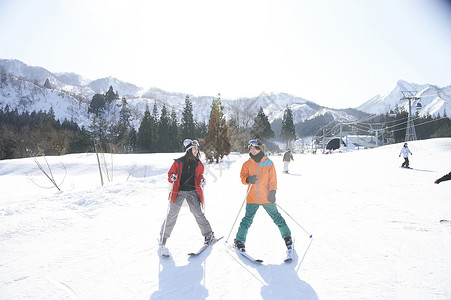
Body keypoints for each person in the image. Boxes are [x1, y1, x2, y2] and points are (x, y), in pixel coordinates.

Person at [234, 139, 292, 252]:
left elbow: (273, 180)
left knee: (277, 217)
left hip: (266, 196)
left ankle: (287, 237)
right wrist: (248, 179)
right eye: (250, 148)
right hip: (252, 197)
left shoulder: (269, 163)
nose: (252, 150)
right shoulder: (247, 164)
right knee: (247, 219)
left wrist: (272, 192)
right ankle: (239, 240)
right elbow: (242, 178)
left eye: (254, 147)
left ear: (260, 148)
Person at [159, 139, 214, 246]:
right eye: (194, 148)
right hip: (178, 192)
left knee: (198, 213)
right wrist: (172, 177)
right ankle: (163, 237)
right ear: (189, 150)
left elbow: (199, 176)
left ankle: (208, 234)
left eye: (197, 149)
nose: (196, 150)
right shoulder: (178, 162)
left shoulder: (198, 164)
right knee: (172, 215)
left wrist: (202, 180)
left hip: (192, 192)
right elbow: (170, 175)